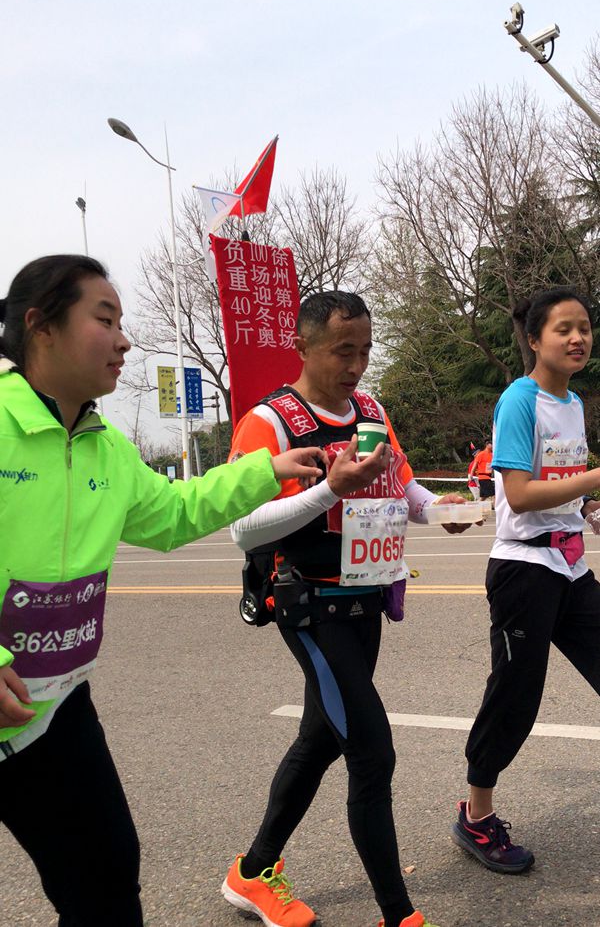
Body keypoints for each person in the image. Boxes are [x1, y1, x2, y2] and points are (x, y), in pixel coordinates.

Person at [0, 254, 326, 927]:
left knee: (107, 877)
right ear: (41, 326)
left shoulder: (104, 445)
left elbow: (173, 515)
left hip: (53, 709)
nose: (124, 339)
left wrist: (268, 469)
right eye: (105, 319)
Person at [220, 291, 475, 927]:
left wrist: (440, 510)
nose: (357, 364)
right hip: (310, 605)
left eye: (364, 349)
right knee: (370, 750)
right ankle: (400, 916)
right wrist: (328, 489)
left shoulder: (370, 409)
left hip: (367, 599)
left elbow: (402, 483)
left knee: (320, 738)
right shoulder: (270, 422)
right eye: (343, 351)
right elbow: (243, 530)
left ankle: (251, 873)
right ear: (302, 347)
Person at [452, 286, 600, 874]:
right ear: (535, 340)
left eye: (584, 327)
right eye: (563, 329)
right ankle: (476, 816)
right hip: (523, 569)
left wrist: (592, 509)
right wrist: (594, 477)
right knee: (515, 699)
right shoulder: (520, 400)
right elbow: (518, 493)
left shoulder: (575, 403)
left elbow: (568, 492)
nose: (577, 338)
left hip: (571, 566)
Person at [468, 440, 494, 505]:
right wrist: (471, 474)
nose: (493, 446)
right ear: (487, 445)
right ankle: (496, 509)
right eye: (492, 444)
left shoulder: (492, 455)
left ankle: (475, 506)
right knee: (494, 494)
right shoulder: (481, 454)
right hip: (483, 478)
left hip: (488, 477)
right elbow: (475, 465)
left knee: (484, 497)